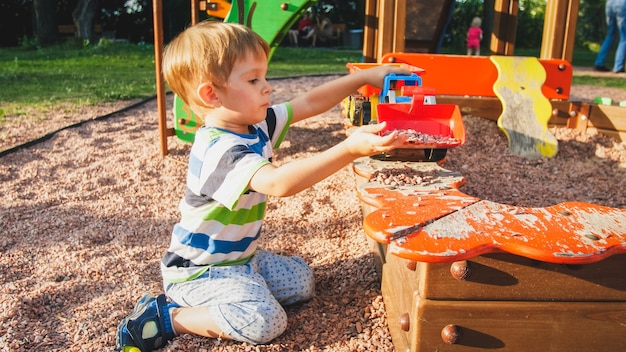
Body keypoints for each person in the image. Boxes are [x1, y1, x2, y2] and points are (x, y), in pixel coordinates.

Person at [115, 21, 409, 351]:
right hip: (200, 273)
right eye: (253, 80)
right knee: (265, 320)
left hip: (241, 259)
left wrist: (366, 77)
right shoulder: (218, 149)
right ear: (212, 94)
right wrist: (349, 149)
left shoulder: (255, 125)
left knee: (302, 283)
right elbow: (278, 183)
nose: (267, 87)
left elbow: (309, 103)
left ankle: (244, 281)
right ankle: (168, 316)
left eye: (264, 76)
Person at [594, 0, 626, 73]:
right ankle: (618, 66)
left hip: (610, 3)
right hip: (622, 4)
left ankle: (599, 62)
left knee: (611, 35)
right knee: (624, 37)